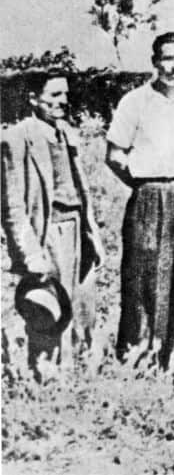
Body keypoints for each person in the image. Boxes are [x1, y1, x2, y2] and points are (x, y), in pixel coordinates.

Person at [106, 32, 174, 369]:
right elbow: (115, 156)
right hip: (149, 195)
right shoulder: (135, 101)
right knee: (146, 277)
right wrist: (143, 185)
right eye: (167, 58)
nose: (173, 66)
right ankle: (142, 358)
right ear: (154, 61)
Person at [1, 70, 105, 370]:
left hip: (77, 230)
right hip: (48, 232)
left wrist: (91, 232)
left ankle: (80, 377)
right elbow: (12, 208)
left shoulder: (66, 132)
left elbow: (80, 190)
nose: (63, 101)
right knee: (49, 308)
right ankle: (47, 381)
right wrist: (31, 254)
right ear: (33, 98)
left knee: (83, 306)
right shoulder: (16, 138)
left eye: (66, 94)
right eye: (55, 95)